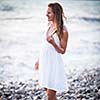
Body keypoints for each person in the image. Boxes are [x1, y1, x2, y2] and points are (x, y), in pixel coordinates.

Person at [34, 2, 68, 100]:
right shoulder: (49, 25)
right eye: (46, 12)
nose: (46, 15)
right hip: (45, 62)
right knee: (47, 91)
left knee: (50, 95)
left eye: (49, 13)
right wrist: (38, 60)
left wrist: (53, 43)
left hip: (54, 64)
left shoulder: (63, 31)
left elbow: (63, 51)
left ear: (56, 14)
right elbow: (44, 45)